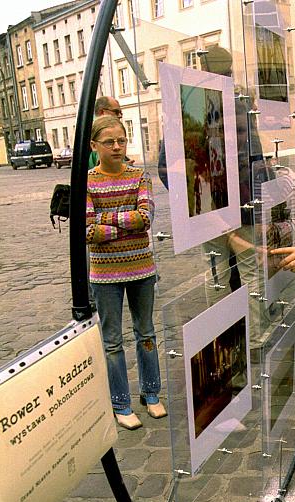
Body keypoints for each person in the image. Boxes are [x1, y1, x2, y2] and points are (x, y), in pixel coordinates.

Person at [86, 115, 166, 430]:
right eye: (109, 142)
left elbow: (146, 218)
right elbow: (88, 231)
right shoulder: (88, 181)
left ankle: (151, 393)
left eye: (121, 140)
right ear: (94, 146)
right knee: (112, 341)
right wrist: (124, 219)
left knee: (146, 333)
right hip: (105, 274)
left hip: (141, 268)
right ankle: (121, 402)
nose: (118, 147)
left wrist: (106, 217)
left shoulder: (139, 176)